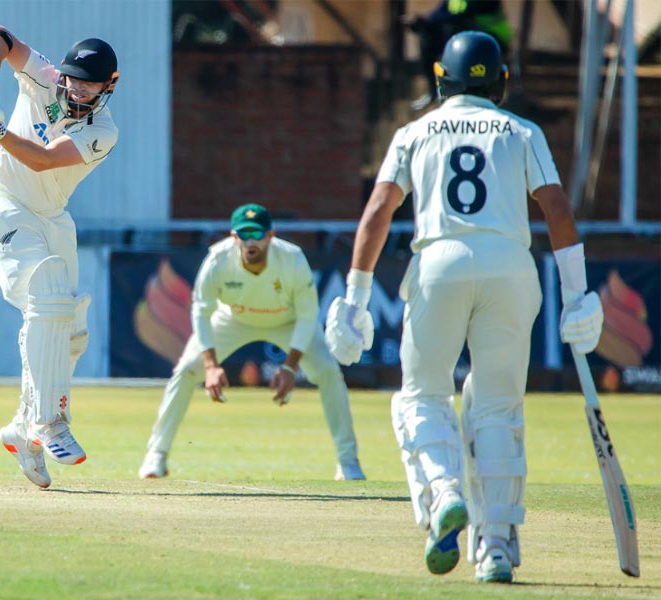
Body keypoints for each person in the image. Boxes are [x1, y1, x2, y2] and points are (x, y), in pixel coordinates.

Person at [324, 32, 603, 583]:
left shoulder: (414, 132)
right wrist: (577, 294)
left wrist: (355, 298)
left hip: (439, 264)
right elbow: (556, 208)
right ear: (501, 81)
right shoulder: (522, 130)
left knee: (423, 394)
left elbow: (379, 208)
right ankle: (495, 546)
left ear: (439, 78)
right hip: (510, 268)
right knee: (498, 408)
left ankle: (444, 489)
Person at [0, 26, 119, 489]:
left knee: (71, 330)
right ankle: (48, 423)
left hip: (53, 219)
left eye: (89, 84)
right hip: (6, 207)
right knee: (46, 298)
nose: (77, 89)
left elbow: (43, 159)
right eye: (72, 79)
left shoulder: (104, 131)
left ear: (109, 84)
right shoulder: (44, 77)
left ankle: (22, 426)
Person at [139, 203, 365, 481]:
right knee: (186, 370)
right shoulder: (218, 259)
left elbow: (308, 315)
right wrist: (210, 366)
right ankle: (156, 455)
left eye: (257, 234)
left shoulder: (293, 259)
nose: (250, 242)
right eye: (244, 235)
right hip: (233, 318)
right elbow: (201, 311)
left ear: (270, 236)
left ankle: (348, 462)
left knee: (328, 371)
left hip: (287, 321)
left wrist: (290, 366)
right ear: (234, 237)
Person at [405, 0, 512, 111]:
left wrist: (428, 21)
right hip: (464, 39)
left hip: (491, 38)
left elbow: (464, 14)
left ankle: (493, 93)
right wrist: (424, 23)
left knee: (455, 26)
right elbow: (440, 12)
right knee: (428, 34)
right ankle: (433, 90)